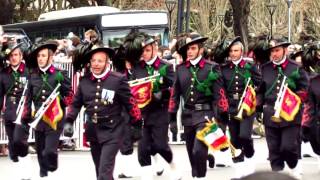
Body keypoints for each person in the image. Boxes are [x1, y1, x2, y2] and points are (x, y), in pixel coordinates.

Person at [63, 44, 143, 180]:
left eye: (100, 60)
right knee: (100, 171)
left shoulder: (117, 79)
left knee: (104, 174)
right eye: (93, 60)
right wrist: (69, 120)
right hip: (93, 131)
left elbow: (130, 103)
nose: (96, 64)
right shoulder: (85, 81)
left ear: (107, 62)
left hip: (113, 131)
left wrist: (137, 123)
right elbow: (76, 104)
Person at [168, 32, 229, 179]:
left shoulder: (212, 68)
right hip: (188, 116)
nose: (190, 51)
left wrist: (222, 121)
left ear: (201, 50)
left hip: (206, 116)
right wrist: (171, 118)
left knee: (198, 150)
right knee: (191, 155)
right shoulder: (181, 69)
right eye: (188, 49)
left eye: (193, 48)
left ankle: (201, 177)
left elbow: (219, 95)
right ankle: (197, 176)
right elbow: (174, 95)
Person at [129, 33, 180, 180]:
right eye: (142, 51)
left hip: (160, 112)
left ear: (154, 49)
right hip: (143, 112)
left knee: (160, 145)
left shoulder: (166, 67)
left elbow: (175, 89)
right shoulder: (137, 68)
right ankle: (146, 175)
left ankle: (173, 165)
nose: (144, 54)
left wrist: (163, 93)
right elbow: (132, 88)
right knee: (143, 148)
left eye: (147, 50)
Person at [256, 36, 308, 179]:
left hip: (290, 115)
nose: (274, 54)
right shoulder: (265, 68)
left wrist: (293, 97)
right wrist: (258, 105)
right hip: (270, 114)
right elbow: (260, 90)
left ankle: (294, 167)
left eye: (277, 50)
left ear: (285, 50)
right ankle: (277, 176)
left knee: (288, 147)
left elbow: (304, 90)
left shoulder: (295, 67)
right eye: (272, 51)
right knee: (273, 150)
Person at [24, 40, 74, 178]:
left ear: (50, 57)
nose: (40, 58)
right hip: (39, 119)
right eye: (39, 56)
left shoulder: (60, 74)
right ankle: (44, 173)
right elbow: (28, 97)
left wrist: (61, 102)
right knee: (40, 151)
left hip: (55, 118)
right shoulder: (32, 75)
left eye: (43, 56)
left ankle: (52, 163)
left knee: (49, 151)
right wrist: (26, 115)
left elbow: (70, 95)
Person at [220, 37, 262, 178]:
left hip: (247, 107)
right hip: (231, 107)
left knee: (245, 136)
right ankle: (239, 171)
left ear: (242, 51)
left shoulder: (250, 66)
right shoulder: (224, 69)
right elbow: (221, 89)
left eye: (236, 51)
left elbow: (260, 84)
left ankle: (250, 156)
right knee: (234, 140)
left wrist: (254, 92)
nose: (233, 53)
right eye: (231, 51)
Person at [0, 42, 33, 180]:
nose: (13, 58)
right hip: (9, 113)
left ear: (21, 56)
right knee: (13, 145)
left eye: (16, 55)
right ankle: (21, 169)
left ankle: (25, 173)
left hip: (24, 113)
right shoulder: (3, 73)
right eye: (11, 56)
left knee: (20, 141)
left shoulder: (29, 71)